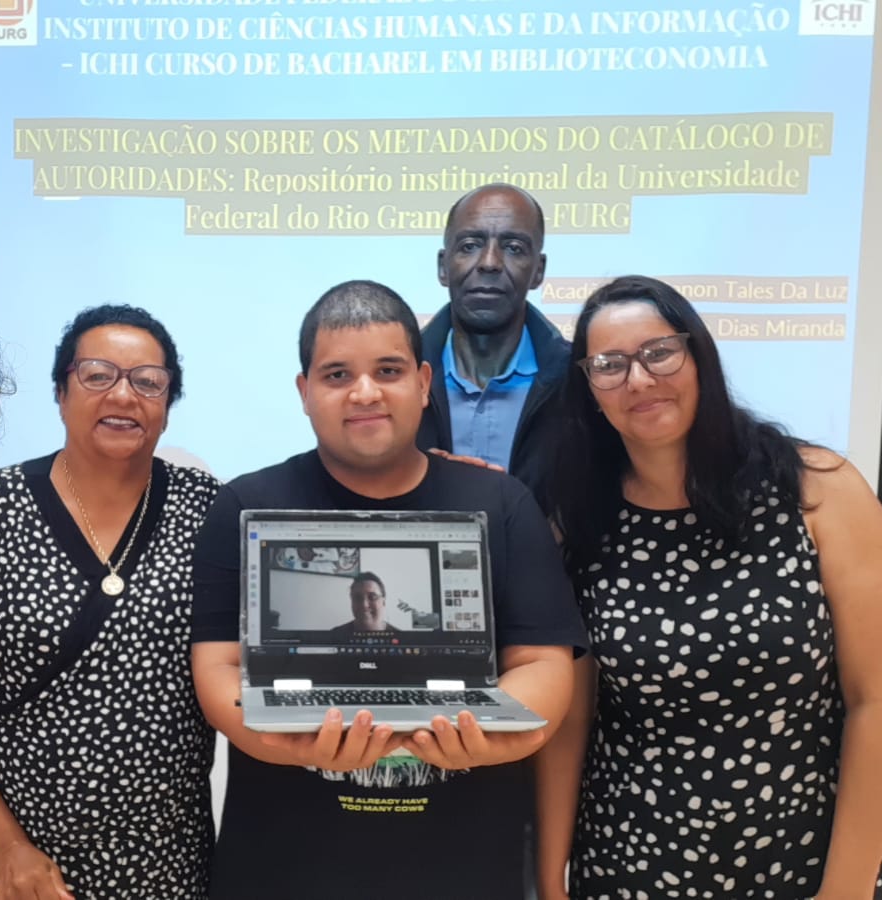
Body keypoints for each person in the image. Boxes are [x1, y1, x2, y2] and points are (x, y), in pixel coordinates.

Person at [192, 280, 588, 899]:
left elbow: (543, 663)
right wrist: (283, 740)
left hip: (464, 872)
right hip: (282, 872)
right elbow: (217, 665)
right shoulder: (247, 503)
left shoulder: (501, 504)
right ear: (304, 393)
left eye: (389, 370)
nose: (365, 392)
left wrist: (480, 738)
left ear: (425, 384)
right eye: (336, 375)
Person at [537, 276, 882, 899]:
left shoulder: (819, 491)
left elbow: (880, 705)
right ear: (590, 389)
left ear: (699, 356)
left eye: (659, 352)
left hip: (804, 867)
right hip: (630, 868)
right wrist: (551, 878)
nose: (638, 379)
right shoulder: (578, 522)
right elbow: (574, 719)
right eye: (609, 365)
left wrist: (846, 889)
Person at [0, 305, 219, 900]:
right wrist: (7, 851)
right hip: (27, 873)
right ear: (60, 390)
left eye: (148, 381)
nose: (123, 396)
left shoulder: (205, 509)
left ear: (168, 402)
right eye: (98, 375)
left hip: (172, 868)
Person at [416, 183, 573, 508]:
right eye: (470, 245)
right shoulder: (397, 378)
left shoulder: (579, 381)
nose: (489, 262)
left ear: (538, 271)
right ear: (443, 267)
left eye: (514, 248)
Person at [326, 572, 397, 635]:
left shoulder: (401, 639)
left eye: (372, 597)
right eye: (357, 598)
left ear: (383, 602)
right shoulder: (334, 636)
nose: (364, 605)